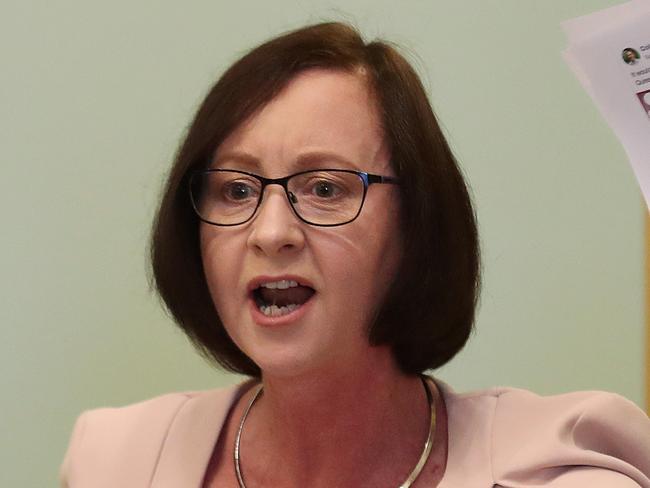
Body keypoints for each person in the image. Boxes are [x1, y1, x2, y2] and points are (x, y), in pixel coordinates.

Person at [60, 22, 650, 487]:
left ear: (415, 224)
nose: (270, 233)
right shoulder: (113, 462)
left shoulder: (556, 469)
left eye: (324, 189)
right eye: (236, 190)